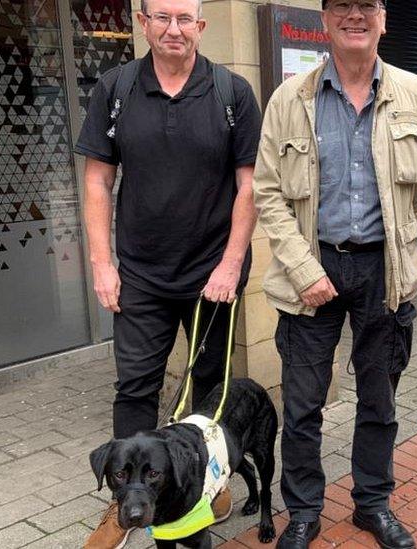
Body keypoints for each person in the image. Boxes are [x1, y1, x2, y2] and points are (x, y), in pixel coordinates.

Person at [74, 0, 262, 546]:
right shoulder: (116, 89)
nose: (173, 29)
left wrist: (230, 263)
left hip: (212, 277)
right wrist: (102, 265)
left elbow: (249, 186)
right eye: (162, 17)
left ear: (200, 26)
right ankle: (127, 502)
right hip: (140, 275)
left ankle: (209, 486)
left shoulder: (232, 94)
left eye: (184, 19)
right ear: (143, 22)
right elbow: (96, 184)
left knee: (209, 392)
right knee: (135, 388)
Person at [252, 1, 417, 547]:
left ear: (382, 18)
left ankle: (372, 504)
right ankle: (304, 510)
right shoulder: (290, 98)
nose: (354, 16)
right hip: (312, 268)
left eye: (366, 6)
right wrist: (306, 268)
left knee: (379, 400)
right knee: (304, 404)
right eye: (341, 7)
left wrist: (396, 255)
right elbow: (267, 190)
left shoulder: (416, 93)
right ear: (326, 21)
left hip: (383, 271)